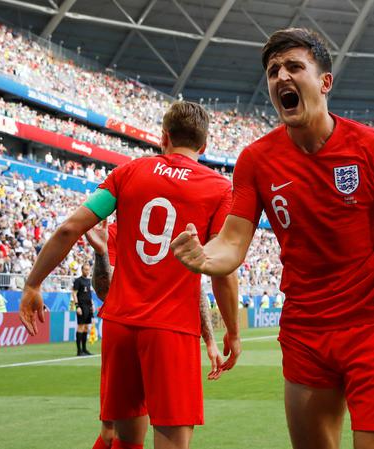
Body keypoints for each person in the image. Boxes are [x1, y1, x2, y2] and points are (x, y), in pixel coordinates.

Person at [171, 28, 374, 449]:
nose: (281, 76)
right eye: (273, 71)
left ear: (325, 82)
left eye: (293, 67)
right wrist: (204, 258)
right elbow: (231, 241)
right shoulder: (255, 160)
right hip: (306, 329)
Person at [19, 100, 241, 449]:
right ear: (205, 145)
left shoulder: (127, 173)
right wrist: (232, 330)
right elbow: (222, 270)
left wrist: (33, 283)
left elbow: (69, 229)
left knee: (124, 440)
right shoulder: (219, 189)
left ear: (163, 136)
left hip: (121, 325)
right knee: (171, 440)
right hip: (171, 328)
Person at [84, 220, 226, 449]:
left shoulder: (178, 229)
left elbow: (194, 285)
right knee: (112, 433)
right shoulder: (116, 230)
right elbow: (105, 291)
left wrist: (210, 340)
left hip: (165, 335)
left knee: (138, 434)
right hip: (127, 330)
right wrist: (100, 253)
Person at [73, 263, 94, 356]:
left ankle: (85, 349)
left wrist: (92, 305)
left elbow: (89, 294)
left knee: (86, 327)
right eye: (85, 269)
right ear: (82, 270)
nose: (87, 271)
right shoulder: (78, 281)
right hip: (81, 306)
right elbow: (74, 293)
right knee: (80, 327)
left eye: (88, 269)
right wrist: (77, 306)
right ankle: (79, 350)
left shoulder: (89, 281)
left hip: (88, 306)